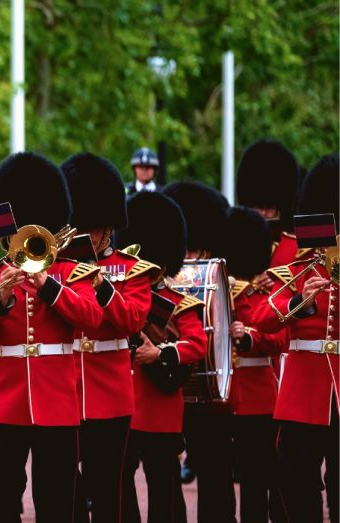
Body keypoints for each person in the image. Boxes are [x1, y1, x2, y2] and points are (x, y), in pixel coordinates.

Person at [0, 151, 104, 522]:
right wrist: (3, 296)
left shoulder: (73, 270)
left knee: (56, 494)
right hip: (8, 400)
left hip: (56, 398)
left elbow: (92, 316)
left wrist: (48, 286)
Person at [61, 152, 157, 522]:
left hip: (109, 392)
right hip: (67, 387)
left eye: (94, 227)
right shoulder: (58, 265)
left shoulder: (131, 270)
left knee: (109, 491)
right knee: (65, 488)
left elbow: (132, 319)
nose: (86, 235)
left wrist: (100, 284)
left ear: (109, 227)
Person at [253, 153, 339, 523]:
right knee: (294, 475)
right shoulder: (296, 262)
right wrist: (299, 301)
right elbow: (261, 316)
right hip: (304, 381)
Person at [116, 191, 207, 523]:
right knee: (120, 485)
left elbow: (197, 345)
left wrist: (161, 352)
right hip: (124, 403)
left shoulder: (179, 302)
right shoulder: (120, 298)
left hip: (160, 407)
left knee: (165, 488)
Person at [162, 181, 237, 522]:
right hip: (168, 385)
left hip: (211, 392)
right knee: (163, 472)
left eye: (194, 253)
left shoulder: (223, 279)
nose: (189, 259)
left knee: (214, 471)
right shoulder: (157, 279)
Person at [224, 207, 285, 522]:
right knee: (222, 481)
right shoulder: (226, 291)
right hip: (225, 393)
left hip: (259, 394)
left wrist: (249, 337)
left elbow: (278, 339)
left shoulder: (267, 291)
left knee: (255, 480)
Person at [236, 139, 302, 268]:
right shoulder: (237, 241)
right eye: (259, 207)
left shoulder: (294, 245)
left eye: (270, 207)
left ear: (281, 207)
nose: (264, 213)